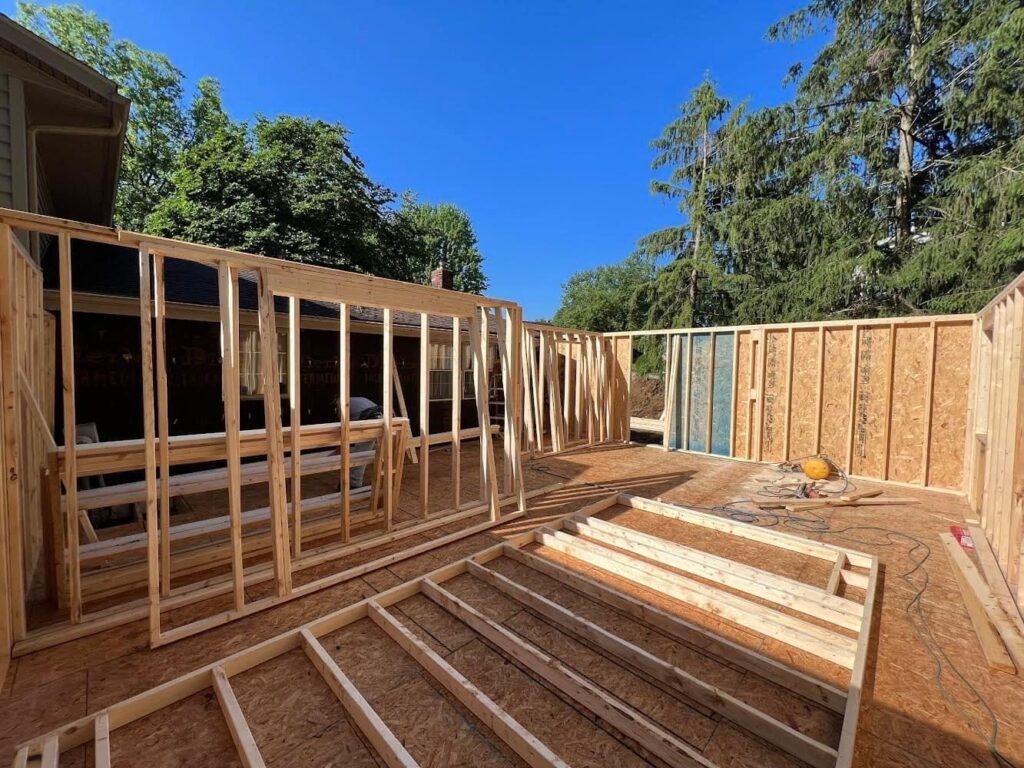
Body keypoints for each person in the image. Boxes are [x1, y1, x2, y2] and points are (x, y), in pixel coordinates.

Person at [347, 396, 382, 488]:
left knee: (361, 452)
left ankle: (354, 483)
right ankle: (382, 480)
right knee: (374, 449)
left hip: (370, 420)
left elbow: (343, 424)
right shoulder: (358, 400)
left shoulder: (342, 402)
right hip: (380, 417)